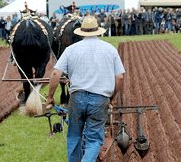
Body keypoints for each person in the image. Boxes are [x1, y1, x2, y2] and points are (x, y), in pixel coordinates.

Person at [46, 16, 125, 162]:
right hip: (100, 99)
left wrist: (50, 96)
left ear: (81, 32)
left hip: (77, 98)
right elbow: (120, 77)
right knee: (94, 139)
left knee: (74, 136)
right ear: (98, 32)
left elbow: (56, 73)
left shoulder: (71, 50)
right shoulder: (110, 49)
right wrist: (111, 98)